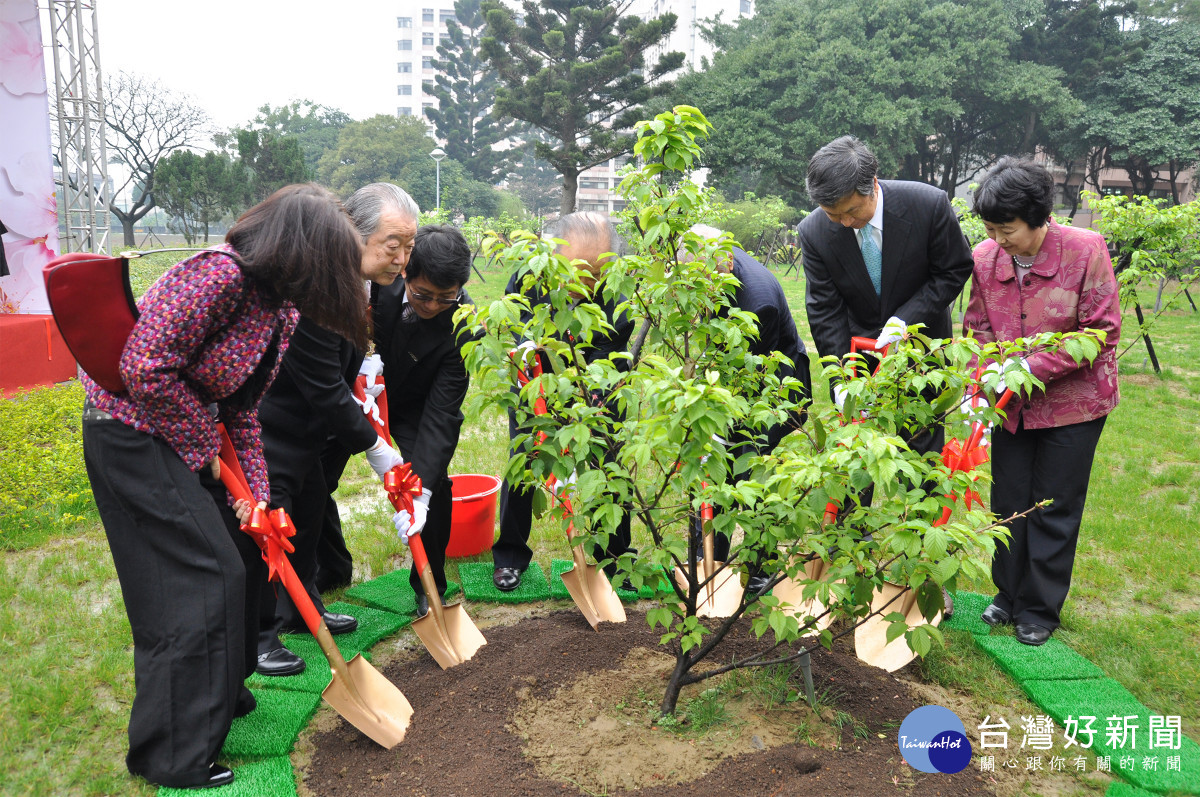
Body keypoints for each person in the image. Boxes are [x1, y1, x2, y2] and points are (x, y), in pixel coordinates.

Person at [80, 184, 365, 789]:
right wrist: (203, 447)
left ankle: (220, 701)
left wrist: (256, 499)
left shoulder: (279, 310)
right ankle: (173, 754)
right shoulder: (219, 276)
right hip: (131, 432)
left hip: (186, 433)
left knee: (242, 553)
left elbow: (242, 412)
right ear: (301, 251)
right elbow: (144, 368)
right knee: (203, 579)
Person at [254, 183, 420, 676]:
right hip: (271, 427)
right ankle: (259, 637)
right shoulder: (319, 288)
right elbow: (323, 386)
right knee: (267, 532)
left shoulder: (369, 282)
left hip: (309, 431)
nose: (402, 260)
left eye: (409, 247)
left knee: (306, 517)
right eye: (394, 245)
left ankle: (303, 611)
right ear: (356, 234)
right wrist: (375, 448)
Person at [964, 157, 1120, 646]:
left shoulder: (1084, 250)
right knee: (1009, 501)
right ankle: (1006, 596)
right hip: (1009, 404)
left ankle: (1039, 608)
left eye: (1006, 228)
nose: (998, 238)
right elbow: (977, 324)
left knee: (1053, 504)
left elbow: (1102, 330)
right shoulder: (986, 257)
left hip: (1073, 404)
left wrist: (1031, 368)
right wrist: (982, 378)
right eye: (990, 228)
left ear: (1039, 217)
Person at [797, 135, 974, 459]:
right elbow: (825, 309)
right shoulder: (814, 232)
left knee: (920, 457)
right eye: (834, 215)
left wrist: (906, 319)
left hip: (921, 350)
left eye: (851, 211)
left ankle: (918, 512)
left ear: (873, 184)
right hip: (857, 353)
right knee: (854, 461)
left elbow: (954, 269)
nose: (846, 222)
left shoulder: (928, 205)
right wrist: (841, 377)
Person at [491, 211, 635, 592]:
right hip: (532, 379)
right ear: (554, 255)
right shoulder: (529, 274)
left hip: (593, 387)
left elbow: (607, 369)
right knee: (525, 457)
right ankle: (509, 556)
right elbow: (516, 327)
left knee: (610, 461)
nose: (585, 282)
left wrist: (583, 416)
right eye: (576, 270)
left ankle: (618, 556)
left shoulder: (617, 302)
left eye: (595, 272)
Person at [685, 225, 812, 593]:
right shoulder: (710, 265)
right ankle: (709, 560)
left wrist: (717, 416)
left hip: (773, 386)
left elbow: (756, 373)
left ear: (722, 265)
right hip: (731, 376)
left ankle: (760, 567)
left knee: (751, 469)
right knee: (712, 468)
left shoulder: (758, 301)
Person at [372, 223, 475, 617]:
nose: (431, 306)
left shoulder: (462, 323)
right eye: (422, 295)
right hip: (356, 393)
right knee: (317, 476)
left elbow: (443, 409)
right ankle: (328, 570)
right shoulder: (377, 285)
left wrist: (423, 493)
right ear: (405, 273)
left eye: (444, 298)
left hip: (416, 404)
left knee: (430, 482)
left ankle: (429, 585)